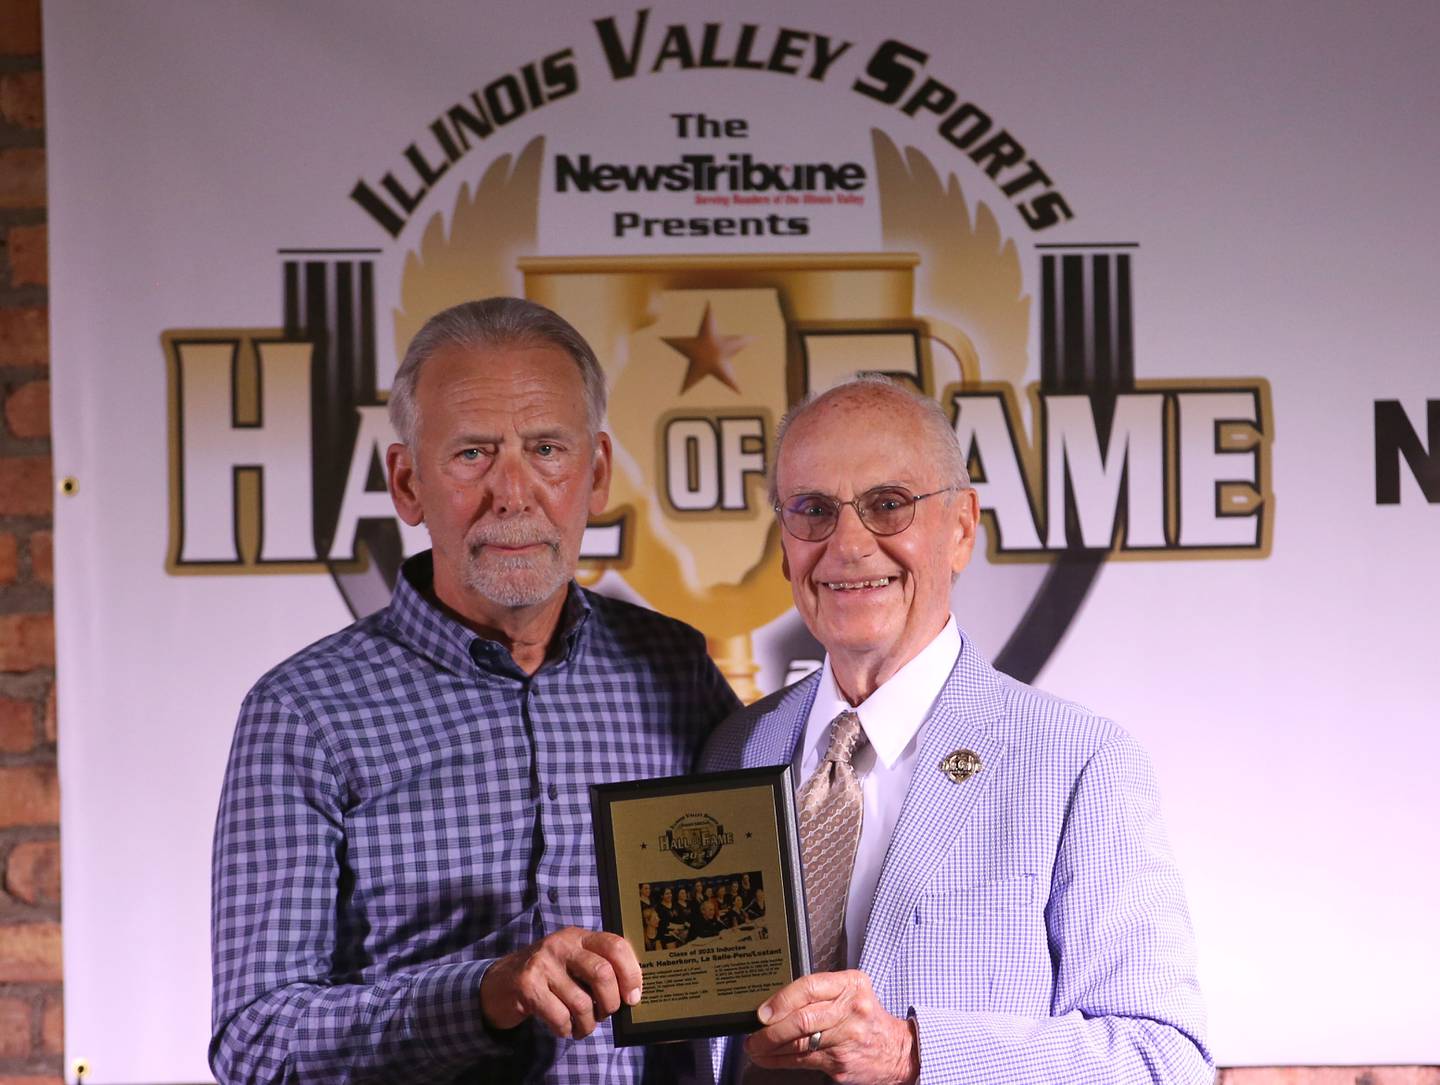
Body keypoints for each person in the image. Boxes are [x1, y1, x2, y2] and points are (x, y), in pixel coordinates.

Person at [210, 297, 740, 1084]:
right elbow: (256, 1039)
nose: (514, 492)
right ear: (407, 482)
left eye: (547, 448)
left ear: (594, 474)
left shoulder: (676, 671)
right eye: (472, 454)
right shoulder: (304, 713)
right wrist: (487, 991)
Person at [700, 376, 1211, 1084]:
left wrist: (916, 1053)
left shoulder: (1078, 761)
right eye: (813, 510)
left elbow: (1165, 1059)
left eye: (888, 505)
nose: (848, 545)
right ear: (785, 546)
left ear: (962, 529)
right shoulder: (735, 749)